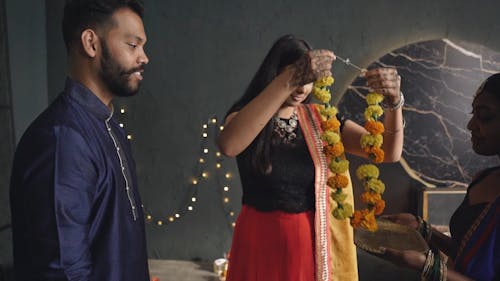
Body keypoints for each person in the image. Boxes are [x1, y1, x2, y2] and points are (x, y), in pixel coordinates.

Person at [217, 34, 405, 281]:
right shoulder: (249, 116)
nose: (303, 88)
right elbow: (229, 145)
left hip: (310, 246)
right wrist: (291, 76)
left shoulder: (322, 122)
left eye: (309, 80)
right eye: (298, 78)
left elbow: (389, 152)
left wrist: (394, 103)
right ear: (276, 75)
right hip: (259, 242)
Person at [9, 0, 150, 280]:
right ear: (91, 43)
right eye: (133, 45)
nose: (144, 57)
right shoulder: (62, 138)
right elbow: (62, 269)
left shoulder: (108, 127)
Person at [381, 73, 500, 281]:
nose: (471, 125)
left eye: (485, 115)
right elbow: (467, 254)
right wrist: (423, 228)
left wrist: (427, 267)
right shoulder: (483, 180)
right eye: (473, 113)